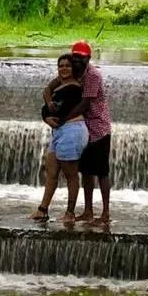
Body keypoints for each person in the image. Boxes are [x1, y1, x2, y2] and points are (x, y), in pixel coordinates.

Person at [43, 41, 112, 224]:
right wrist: (49, 107)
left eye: (81, 58)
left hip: (98, 127)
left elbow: (84, 104)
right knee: (86, 172)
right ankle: (88, 211)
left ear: (88, 58)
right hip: (80, 127)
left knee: (102, 172)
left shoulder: (93, 75)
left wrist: (63, 120)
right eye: (75, 57)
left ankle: (105, 213)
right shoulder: (72, 70)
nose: (77, 61)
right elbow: (48, 88)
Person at [29, 54, 89, 223]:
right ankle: (43, 209)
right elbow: (48, 103)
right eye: (60, 65)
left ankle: (70, 213)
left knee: (70, 174)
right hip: (60, 131)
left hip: (72, 131)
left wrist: (46, 113)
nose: (63, 68)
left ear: (73, 69)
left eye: (67, 66)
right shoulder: (61, 86)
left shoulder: (74, 88)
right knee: (51, 172)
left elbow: (58, 110)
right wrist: (46, 115)